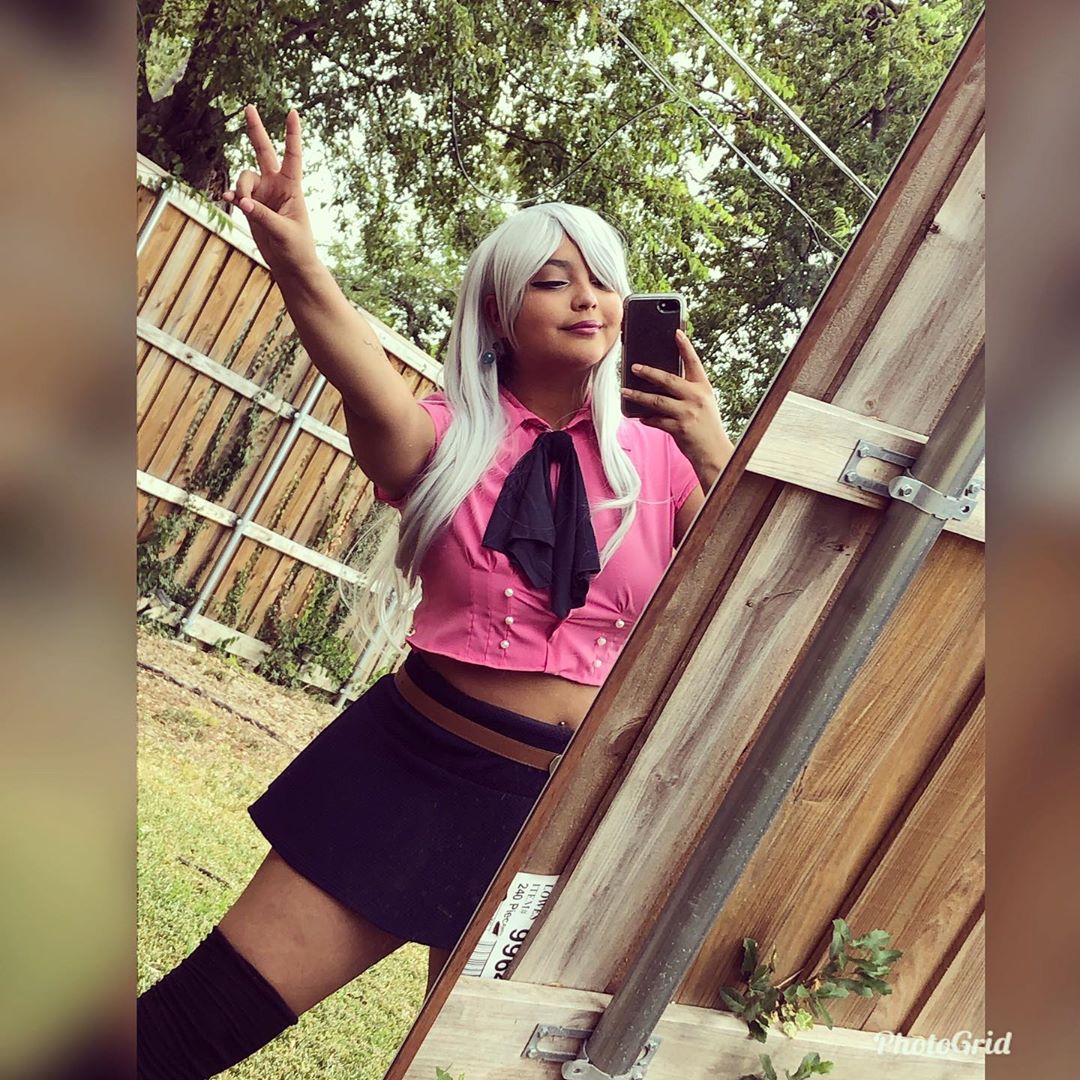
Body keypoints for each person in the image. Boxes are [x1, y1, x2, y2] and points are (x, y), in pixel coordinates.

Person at [137, 104, 734, 1079]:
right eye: (553, 279)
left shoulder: (660, 464)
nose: (587, 298)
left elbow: (747, 593)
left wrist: (712, 448)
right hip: (413, 771)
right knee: (192, 1025)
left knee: (469, 1074)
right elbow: (353, 367)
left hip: (564, 812)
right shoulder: (442, 438)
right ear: (498, 313)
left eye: (602, 279)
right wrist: (297, 261)